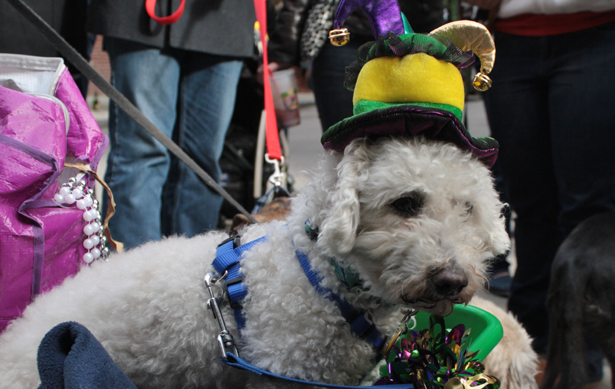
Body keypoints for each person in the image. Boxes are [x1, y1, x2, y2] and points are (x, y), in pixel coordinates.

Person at [465, 0, 615, 383]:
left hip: (606, 30)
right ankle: (522, 348)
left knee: (585, 212)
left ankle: (578, 353)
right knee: (529, 208)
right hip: (509, 36)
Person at [87, 1, 255, 249]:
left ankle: (193, 272)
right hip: (141, 18)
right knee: (141, 154)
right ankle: (132, 276)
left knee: (201, 163)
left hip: (224, 21)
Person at [269, 0, 446, 132]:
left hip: (413, 37)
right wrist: (284, 53)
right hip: (346, 37)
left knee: (425, 142)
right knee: (345, 144)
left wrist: (440, 44)